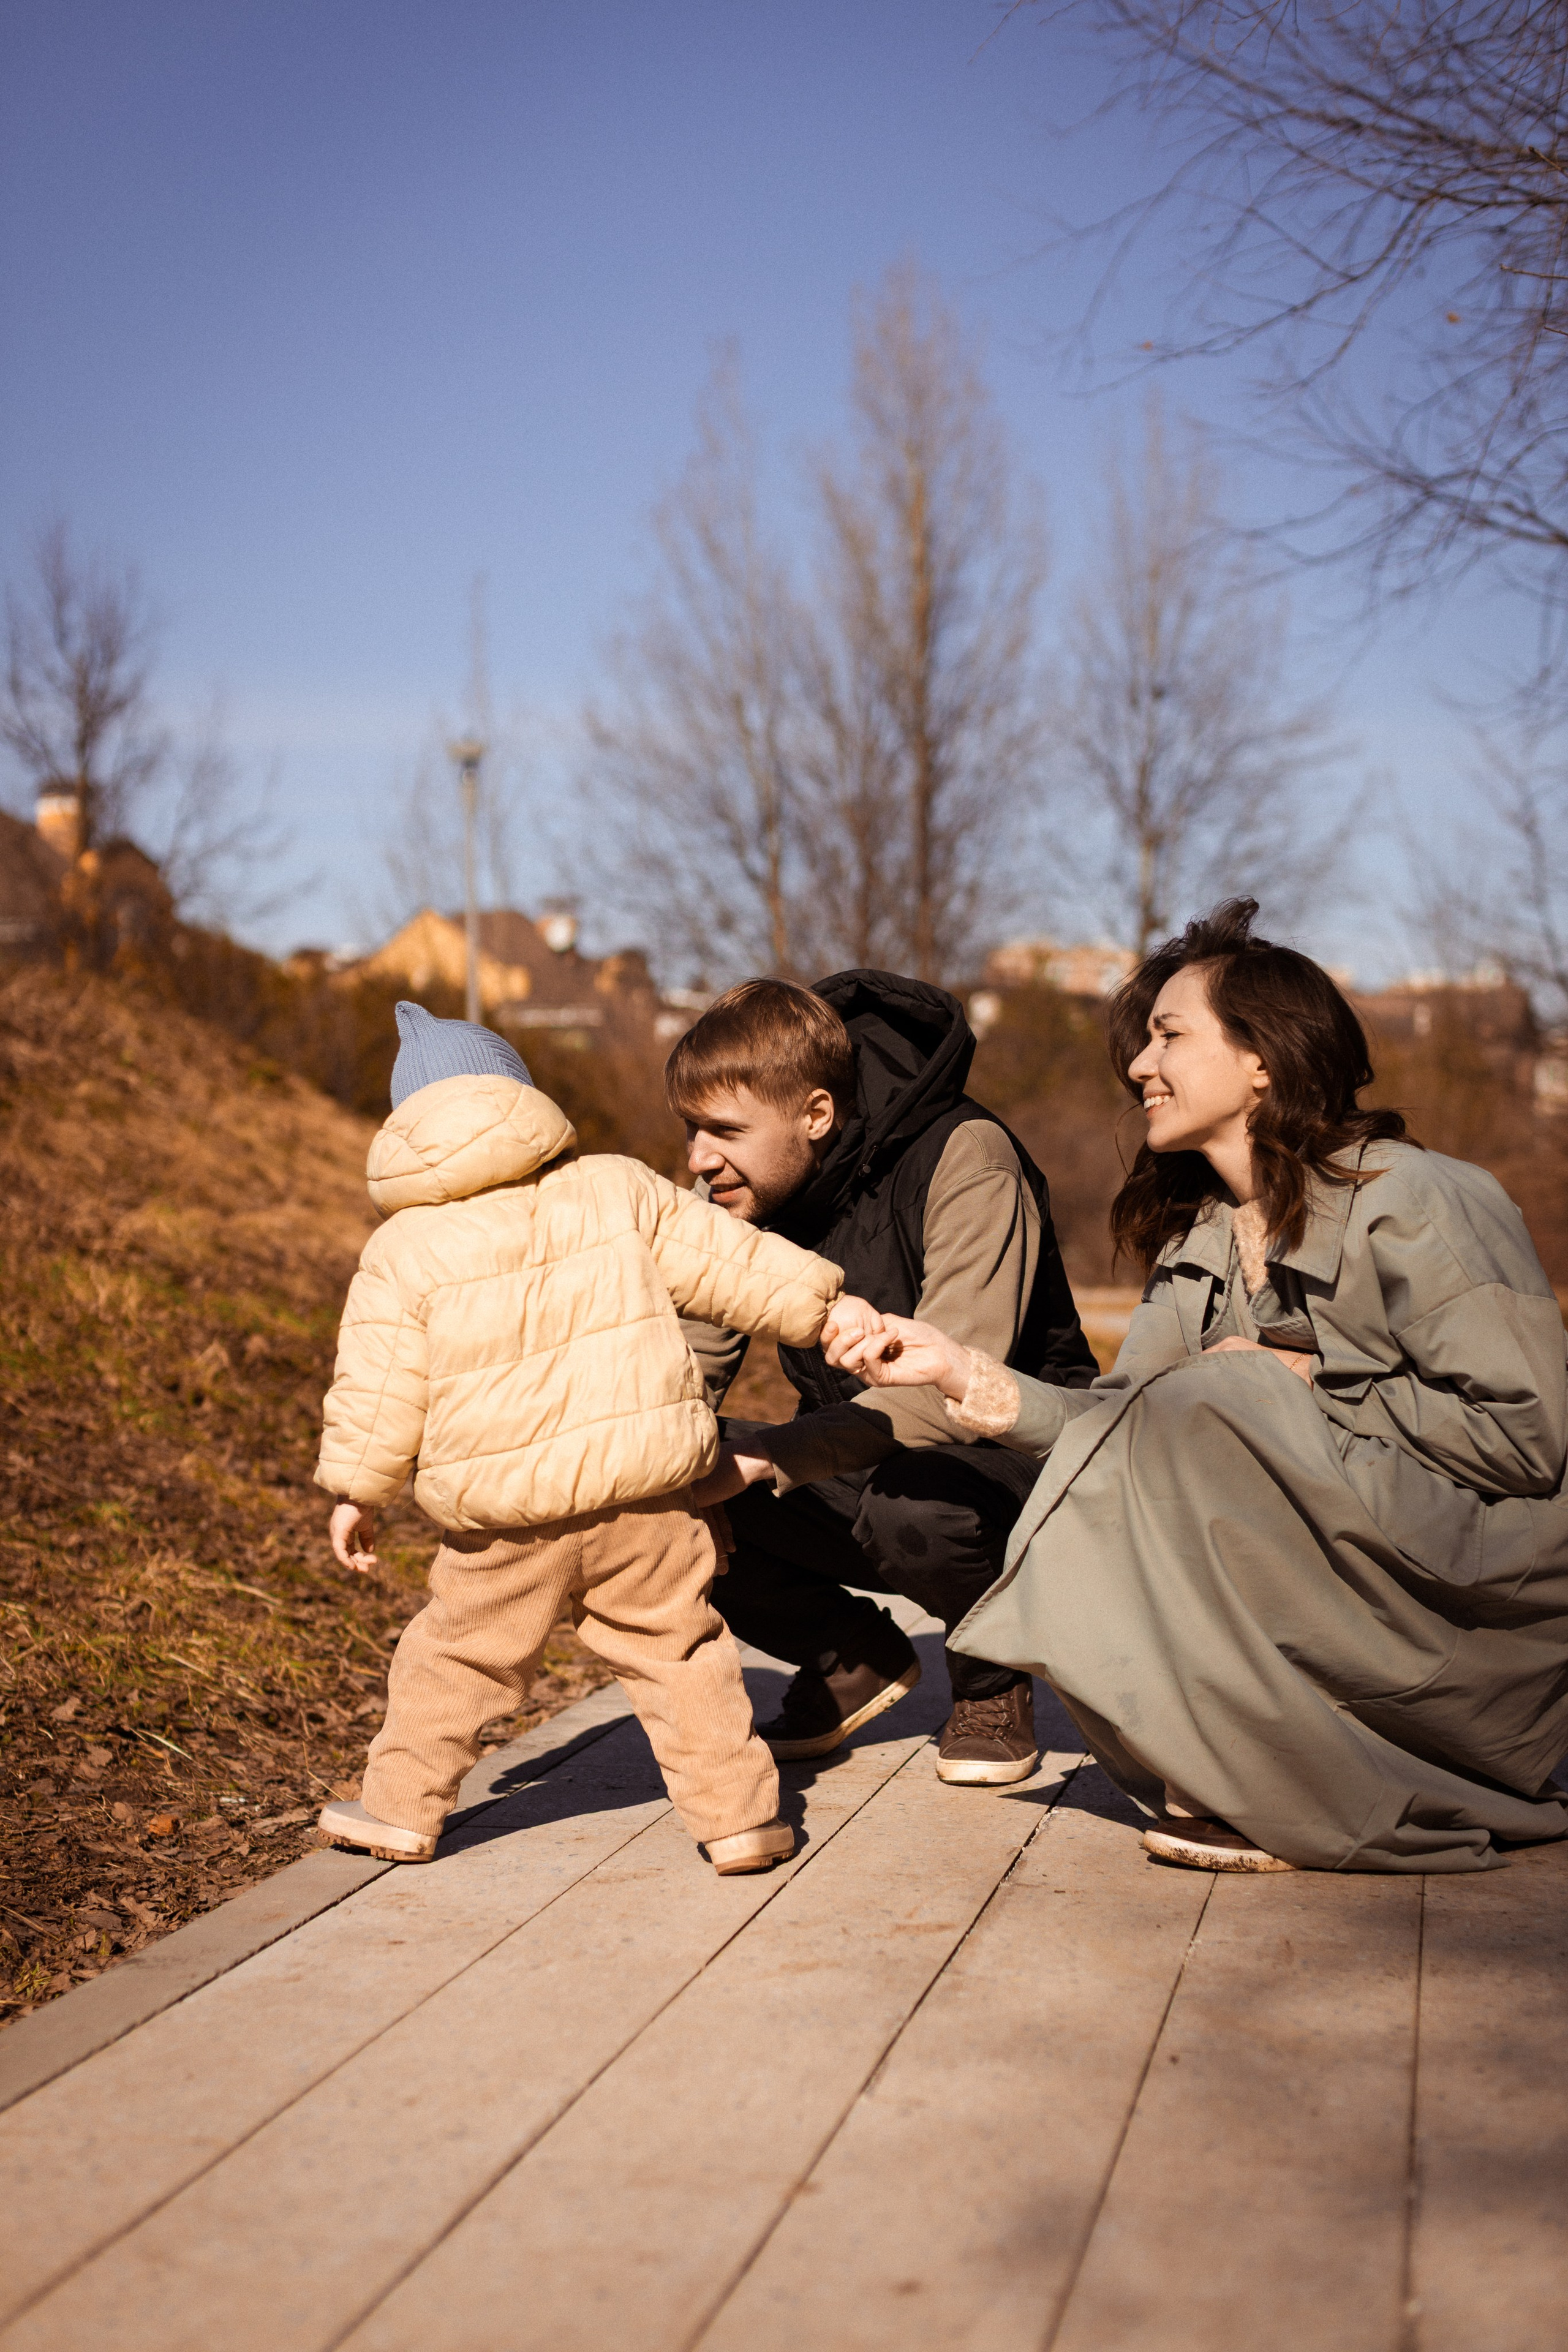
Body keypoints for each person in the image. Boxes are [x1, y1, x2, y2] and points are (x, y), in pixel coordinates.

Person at [830, 900, 1568, 1874]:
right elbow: (1125, 1427)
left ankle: (1293, 1774)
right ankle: (1234, 1759)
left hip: (1470, 1606)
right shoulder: (1205, 1243)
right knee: (1181, 1421)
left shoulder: (1417, 1197)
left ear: (1264, 1057)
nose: (1140, 1064)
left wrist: (1300, 1383)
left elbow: (1528, 1438)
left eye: (1169, 1034)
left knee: (1226, 1401)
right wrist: (960, 1371)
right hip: (1350, 1568)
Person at [314, 1000, 879, 1875]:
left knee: (454, 1659)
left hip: (509, 1526)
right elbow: (734, 1264)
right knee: (682, 1652)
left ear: (410, 1127)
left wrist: (358, 1488)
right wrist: (825, 1308)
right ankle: (738, 1822)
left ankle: (397, 1810)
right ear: (519, 1097)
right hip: (644, 1502)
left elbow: (380, 1383)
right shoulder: (615, 1187)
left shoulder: (403, 1248)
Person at [671, 971, 1099, 1785]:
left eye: (722, 1130)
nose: (698, 1157)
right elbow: (684, 1361)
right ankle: (849, 1656)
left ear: (817, 1115)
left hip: (1013, 1470)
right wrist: (670, 1467)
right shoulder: (738, 1187)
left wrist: (771, 1458)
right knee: (654, 1469)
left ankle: (989, 1674)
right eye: (692, 1129)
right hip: (857, 1459)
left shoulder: (967, 1155)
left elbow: (959, 1398)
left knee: (917, 1505)